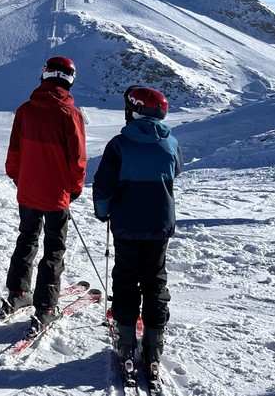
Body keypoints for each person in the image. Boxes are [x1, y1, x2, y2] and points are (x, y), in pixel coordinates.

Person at [92, 85, 183, 377]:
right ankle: (154, 348)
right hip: (158, 225)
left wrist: (103, 211)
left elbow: (104, 186)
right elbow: (175, 170)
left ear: (133, 110)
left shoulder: (119, 145)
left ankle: (126, 341)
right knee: (155, 282)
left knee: (126, 280)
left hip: (127, 224)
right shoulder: (170, 144)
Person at [2, 56, 86, 333]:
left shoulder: (25, 110)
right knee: (53, 248)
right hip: (56, 195)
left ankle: (17, 293)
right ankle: (46, 306)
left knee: (26, 238)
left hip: (28, 191)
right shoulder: (70, 115)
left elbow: (14, 151)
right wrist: (74, 189)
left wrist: (19, 178)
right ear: (70, 80)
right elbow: (77, 160)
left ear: (45, 75)